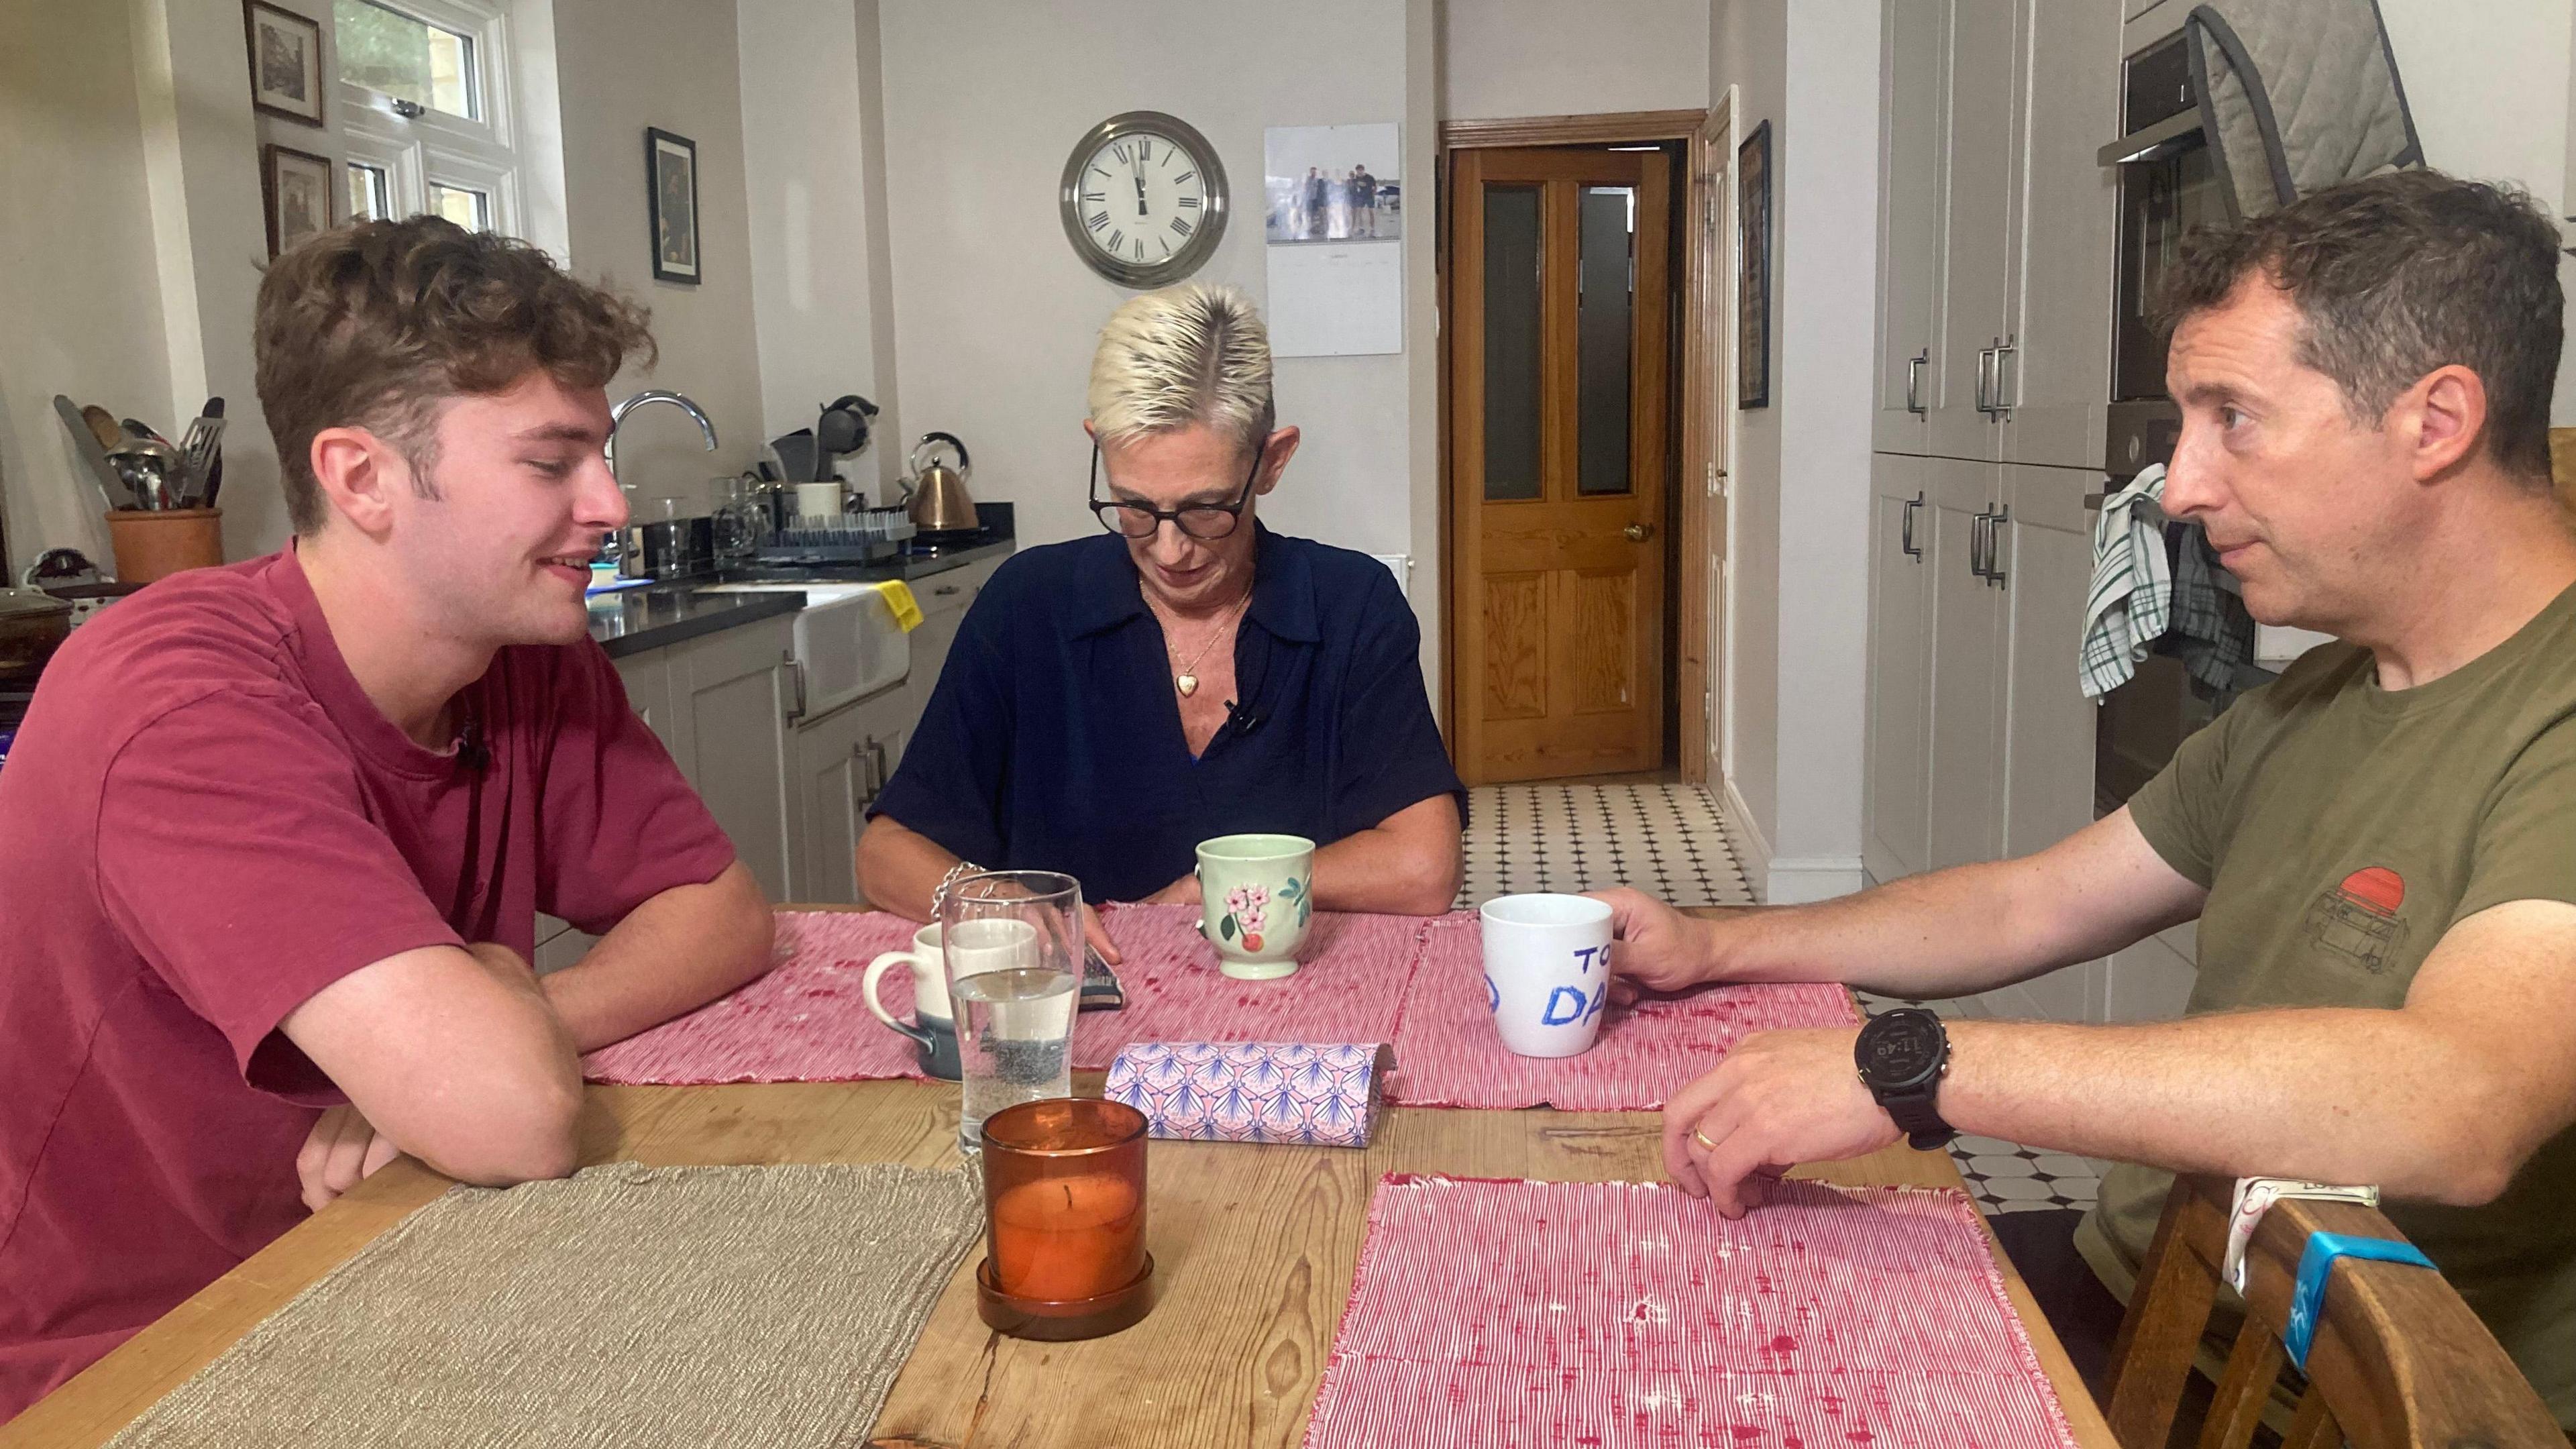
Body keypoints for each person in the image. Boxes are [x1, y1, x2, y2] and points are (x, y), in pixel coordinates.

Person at [1596, 170, 2576, 1424]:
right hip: (2154, 1301)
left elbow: (2460, 1101)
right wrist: (1720, 944)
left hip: (2302, 1411)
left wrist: (1913, 1070)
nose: (2178, 486)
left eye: (2235, 418)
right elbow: (2027, 908)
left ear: (2435, 421)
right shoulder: (2319, 696)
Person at [0, 216, 774, 1418]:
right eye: (551, 461)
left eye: (601, 455)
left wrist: (509, 1007)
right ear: (361, 477)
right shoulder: (176, 697)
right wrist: (475, 1029)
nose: (612, 503)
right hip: (130, 1357)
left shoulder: (513, 646)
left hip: (398, 1255)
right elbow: (509, 1118)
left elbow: (723, 915)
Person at [857, 284, 1463, 955]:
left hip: (1291, 1019)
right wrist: (987, 901)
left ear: (1273, 460)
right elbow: (885, 851)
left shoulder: (1350, 604)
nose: (1170, 550)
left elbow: (1424, 867)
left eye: (1207, 509)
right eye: (1134, 506)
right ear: (1099, 450)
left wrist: (1216, 887)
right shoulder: (1028, 606)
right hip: (1083, 1033)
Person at [1351, 162, 1379, 239]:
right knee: (1359, 212)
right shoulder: (1355, 179)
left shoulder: (1370, 177)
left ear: (1363, 170)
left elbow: (1375, 186)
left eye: (1361, 170)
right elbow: (1354, 188)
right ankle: (1361, 227)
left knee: (1371, 212)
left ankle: (1372, 228)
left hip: (1369, 196)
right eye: (1358, 170)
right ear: (1357, 171)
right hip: (1360, 197)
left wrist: (1374, 193)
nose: (1360, 172)